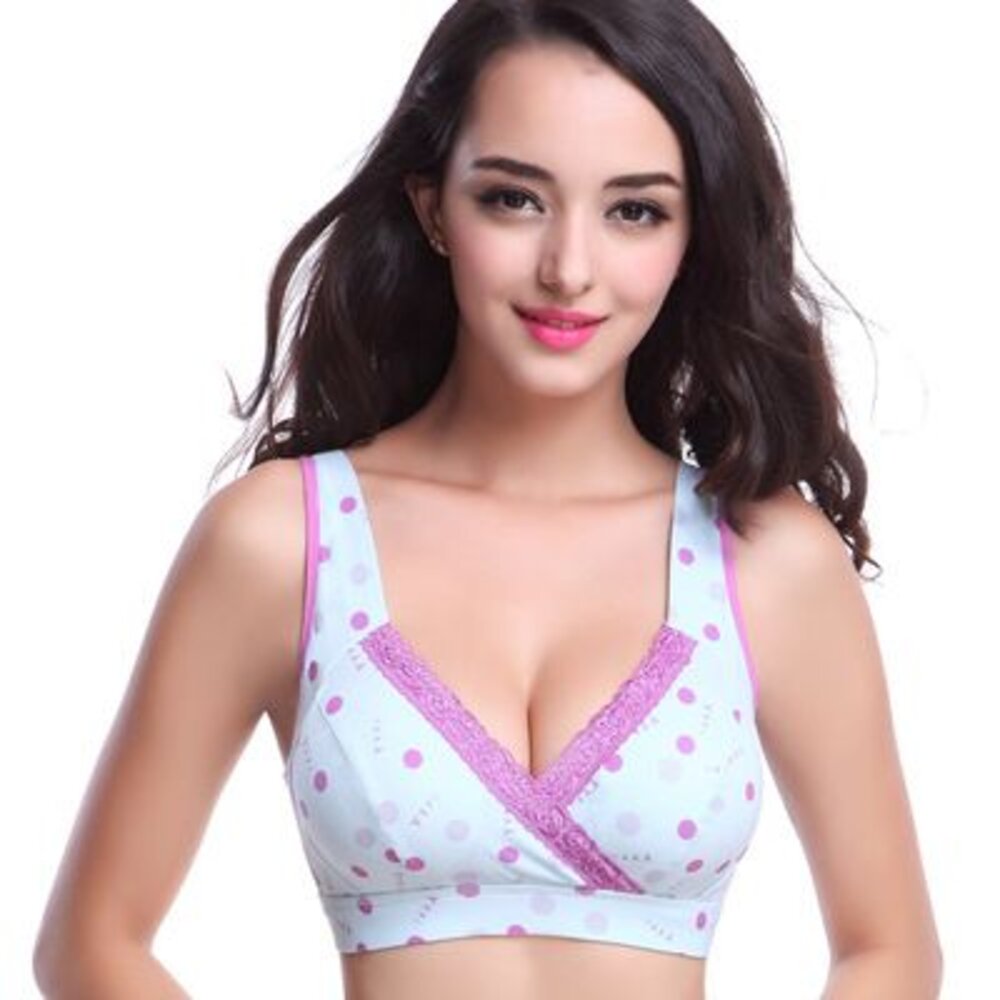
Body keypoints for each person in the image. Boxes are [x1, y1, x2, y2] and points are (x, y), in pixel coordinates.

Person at [32, 1, 943, 997]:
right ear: (433, 208)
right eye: (514, 199)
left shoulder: (766, 557)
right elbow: (92, 941)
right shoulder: (283, 540)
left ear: (695, 234)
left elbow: (889, 948)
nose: (569, 269)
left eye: (634, 211)